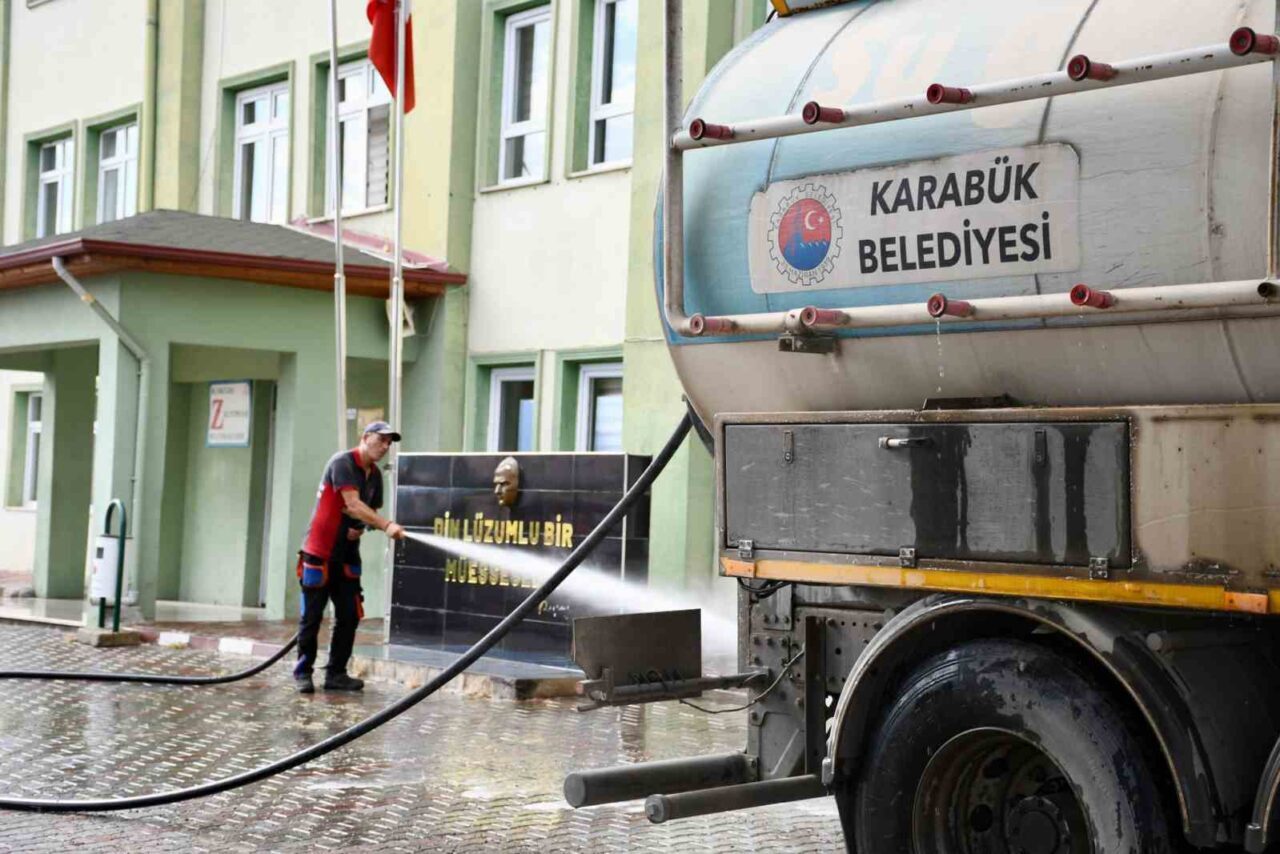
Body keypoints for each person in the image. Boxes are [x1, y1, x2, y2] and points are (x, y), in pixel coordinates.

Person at [293, 420, 406, 694]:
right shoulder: (342, 462)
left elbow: (367, 512)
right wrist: (386, 525)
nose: (385, 446)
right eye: (381, 440)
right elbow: (353, 504)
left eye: (389, 442)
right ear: (365, 437)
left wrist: (363, 527)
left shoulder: (375, 476)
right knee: (312, 617)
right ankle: (303, 673)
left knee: (349, 615)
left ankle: (336, 673)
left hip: (347, 556)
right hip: (319, 552)